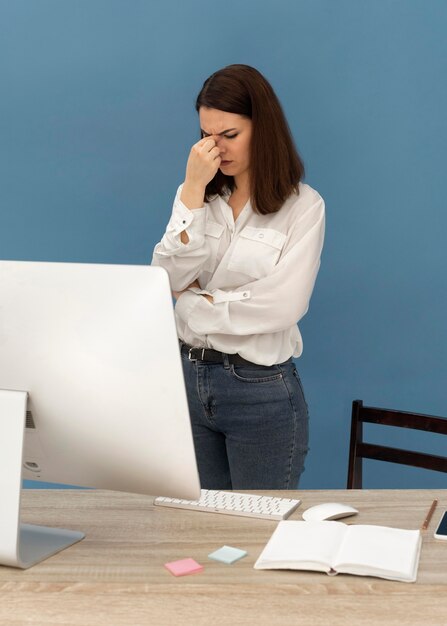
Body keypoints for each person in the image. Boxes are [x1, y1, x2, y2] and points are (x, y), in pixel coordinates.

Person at [152, 64, 325, 490]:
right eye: (207, 137)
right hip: (187, 383)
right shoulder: (195, 195)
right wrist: (192, 191)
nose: (217, 149)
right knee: (199, 530)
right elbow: (164, 279)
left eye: (229, 135)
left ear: (262, 129)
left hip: (261, 391)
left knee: (257, 532)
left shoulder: (303, 207)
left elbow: (283, 306)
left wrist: (194, 302)